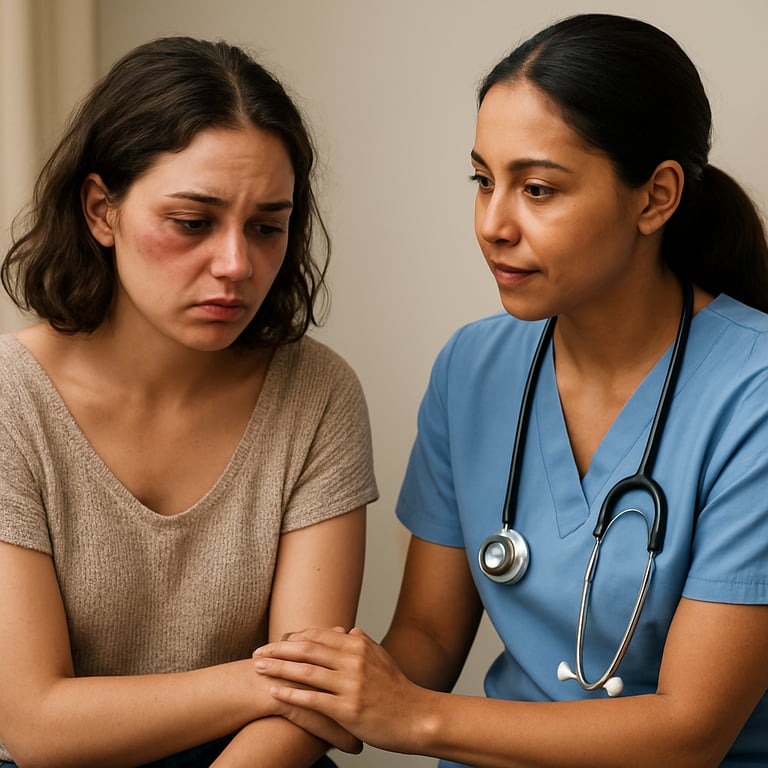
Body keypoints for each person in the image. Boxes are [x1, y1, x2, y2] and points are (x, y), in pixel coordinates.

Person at [252, 14, 768, 767]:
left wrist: (418, 719)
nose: (493, 224)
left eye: (536, 189)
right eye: (482, 181)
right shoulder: (473, 368)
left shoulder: (751, 393)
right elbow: (426, 640)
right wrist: (311, 691)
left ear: (656, 198)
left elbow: (689, 733)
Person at [0, 37, 377, 767]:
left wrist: (290, 695)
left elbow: (308, 715)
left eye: (268, 227)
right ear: (101, 211)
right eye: (193, 222)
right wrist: (270, 681)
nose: (237, 265)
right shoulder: (11, 401)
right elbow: (38, 726)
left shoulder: (318, 393)